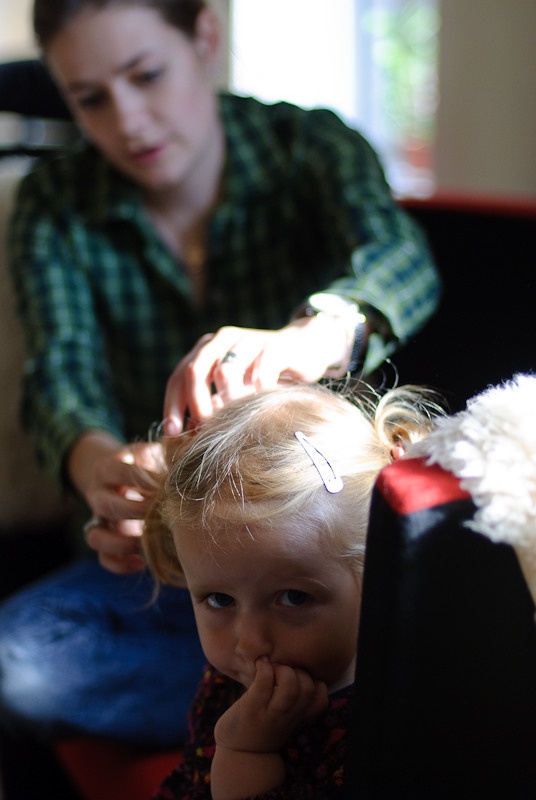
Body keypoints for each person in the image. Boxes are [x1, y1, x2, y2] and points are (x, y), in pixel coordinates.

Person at [0, 0, 440, 750]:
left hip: (315, 560)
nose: (129, 121)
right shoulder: (53, 205)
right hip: (166, 575)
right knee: (19, 664)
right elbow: (58, 374)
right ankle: (309, 697)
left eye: (147, 75)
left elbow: (402, 259)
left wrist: (322, 332)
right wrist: (102, 466)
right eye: (90, 99)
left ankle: (272, 688)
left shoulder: (308, 146)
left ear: (205, 37)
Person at [142, 382, 441, 799]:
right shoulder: (228, 680)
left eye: (293, 597)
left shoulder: (392, 723)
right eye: (219, 600)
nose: (251, 642)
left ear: (381, 573)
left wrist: (246, 753)